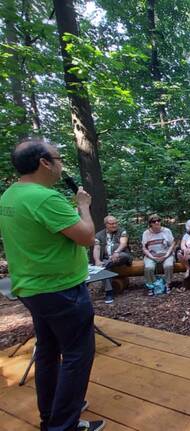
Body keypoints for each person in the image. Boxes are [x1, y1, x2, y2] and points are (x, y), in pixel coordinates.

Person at [0, 138, 103, 431]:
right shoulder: (46, 198)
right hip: (62, 291)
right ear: (44, 162)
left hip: (32, 290)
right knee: (77, 356)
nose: (61, 164)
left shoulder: (10, 196)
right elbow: (86, 237)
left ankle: (52, 415)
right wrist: (83, 206)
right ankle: (63, 426)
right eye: (57, 158)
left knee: (47, 352)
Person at [93, 215, 132, 304]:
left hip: (122, 256)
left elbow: (123, 243)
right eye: (111, 224)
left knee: (122, 256)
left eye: (115, 223)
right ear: (106, 224)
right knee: (105, 268)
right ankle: (109, 292)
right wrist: (97, 260)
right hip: (108, 259)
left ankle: (101, 266)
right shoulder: (99, 235)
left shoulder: (122, 231)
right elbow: (97, 248)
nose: (114, 225)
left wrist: (116, 252)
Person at [142, 214, 175, 291]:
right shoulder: (146, 233)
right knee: (148, 268)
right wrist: (152, 257)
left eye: (158, 220)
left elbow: (172, 244)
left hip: (166, 254)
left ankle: (168, 284)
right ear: (150, 223)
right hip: (151, 255)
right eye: (154, 221)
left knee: (168, 266)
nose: (157, 222)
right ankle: (152, 285)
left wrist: (166, 255)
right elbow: (144, 248)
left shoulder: (167, 231)